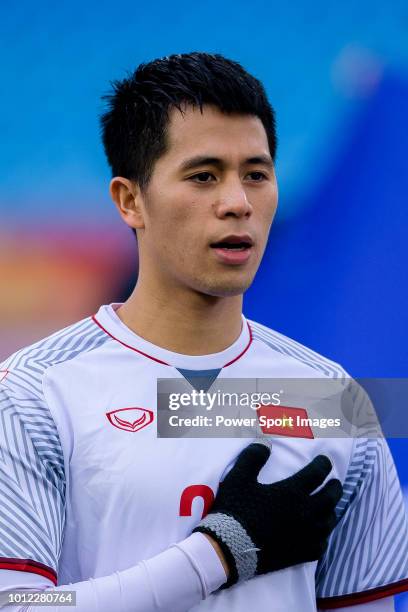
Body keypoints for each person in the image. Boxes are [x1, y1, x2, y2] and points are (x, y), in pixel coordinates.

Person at [0, 52, 407, 612]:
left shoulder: (331, 396)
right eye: (203, 176)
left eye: (256, 175)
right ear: (130, 200)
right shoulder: (34, 392)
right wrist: (219, 554)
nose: (237, 203)